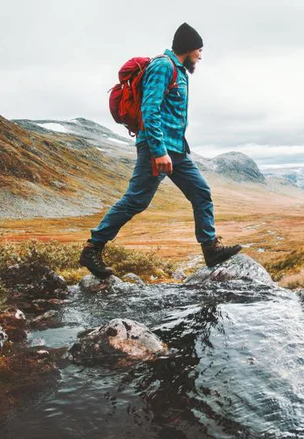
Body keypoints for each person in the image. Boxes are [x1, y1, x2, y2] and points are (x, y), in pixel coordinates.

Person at [80, 23, 242, 278]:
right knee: (136, 200)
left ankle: (210, 249)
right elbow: (149, 109)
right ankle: (92, 248)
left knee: (201, 192)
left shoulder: (180, 72)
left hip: (176, 150)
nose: (200, 56)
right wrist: (158, 151)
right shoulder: (163, 66)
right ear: (188, 49)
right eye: (199, 50)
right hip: (157, 148)